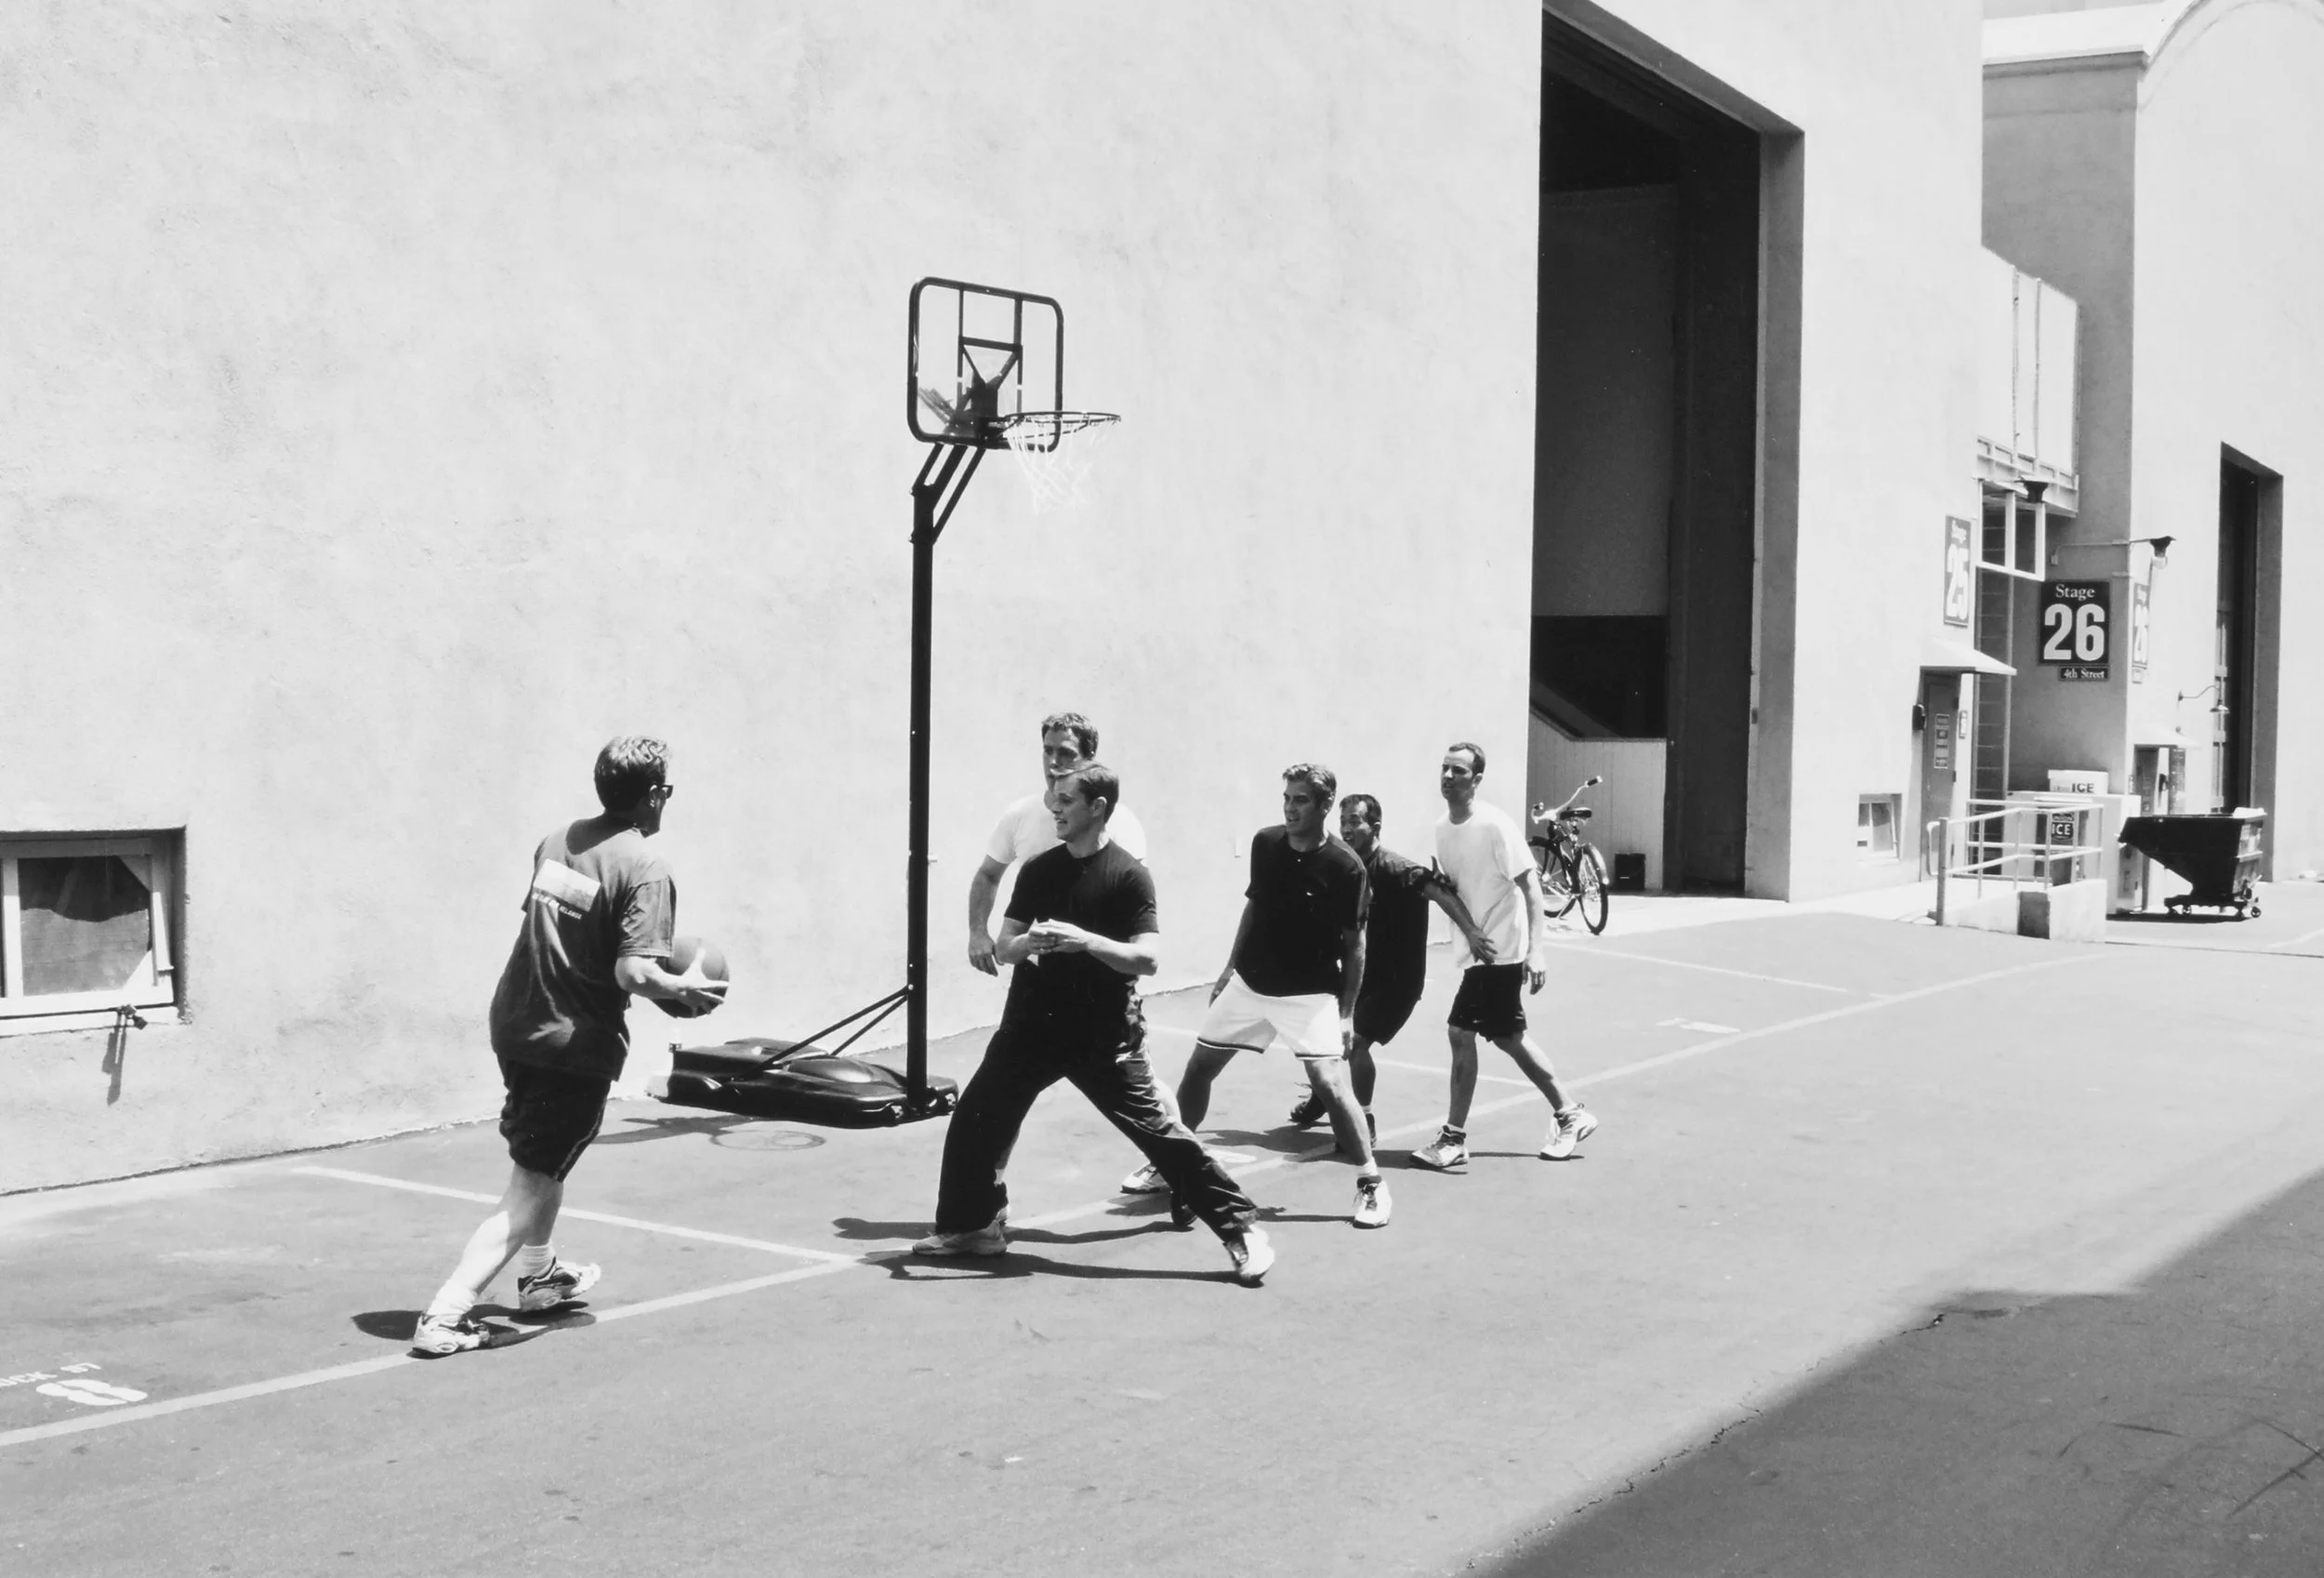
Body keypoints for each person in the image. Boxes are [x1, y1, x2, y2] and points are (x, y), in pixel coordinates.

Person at [410, 736, 730, 1356]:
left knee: (545, 1159)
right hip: (571, 1045)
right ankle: (445, 1315)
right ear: (654, 796)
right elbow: (634, 973)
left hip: (518, 1022)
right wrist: (681, 987)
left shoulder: (557, 840)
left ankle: (539, 1275)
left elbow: (563, 928)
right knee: (529, 1183)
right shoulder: (647, 868)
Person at [917, 763, 1274, 1284]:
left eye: (1065, 800)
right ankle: (973, 1227)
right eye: (1053, 799)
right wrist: (1027, 944)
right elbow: (1006, 945)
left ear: (1097, 808)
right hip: (1031, 1029)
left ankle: (1241, 1230)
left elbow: (1147, 959)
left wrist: (1084, 940)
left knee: (1159, 1135)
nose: (1054, 808)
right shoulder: (1038, 870)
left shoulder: (1128, 875)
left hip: (1102, 1037)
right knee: (976, 1119)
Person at [1122, 764, 1390, 1228]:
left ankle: (1371, 1182)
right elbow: (1255, 906)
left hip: (1311, 994)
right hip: (1250, 983)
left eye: (1301, 800)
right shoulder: (1265, 844)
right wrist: (1229, 969)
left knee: (1328, 1082)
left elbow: (1356, 944)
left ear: (1325, 805)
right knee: (1198, 1069)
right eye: (1286, 798)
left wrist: (1347, 1013)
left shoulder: (1348, 867)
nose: (1290, 807)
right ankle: (1174, 1164)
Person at [1409, 742, 1600, 1171]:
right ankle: (1570, 1113)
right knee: (1506, 1036)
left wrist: (1537, 951)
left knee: (1461, 1032)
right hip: (1478, 949)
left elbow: (1531, 886)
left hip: (1502, 949)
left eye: (1458, 771)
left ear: (1476, 780)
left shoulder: (1495, 825)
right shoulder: (1443, 826)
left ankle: (1454, 1137)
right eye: (1444, 768)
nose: (1448, 776)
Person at [1286, 791, 1494, 1141]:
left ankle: (1363, 1120)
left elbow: (1439, 891)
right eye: (1344, 821)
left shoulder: (1397, 869)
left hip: (1398, 983)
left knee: (1356, 1043)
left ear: (1375, 826)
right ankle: (1323, 1096)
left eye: (1355, 821)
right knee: (1316, 1037)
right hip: (1358, 976)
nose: (1347, 829)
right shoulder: (1344, 867)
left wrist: (1471, 931)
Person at [967, 712, 1147, 977]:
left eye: (1065, 752)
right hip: (1041, 977)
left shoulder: (1122, 821)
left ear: (1089, 758)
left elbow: (1135, 903)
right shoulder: (1020, 815)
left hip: (1102, 979)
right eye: (1047, 751)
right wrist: (978, 932)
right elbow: (988, 874)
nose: (1053, 762)